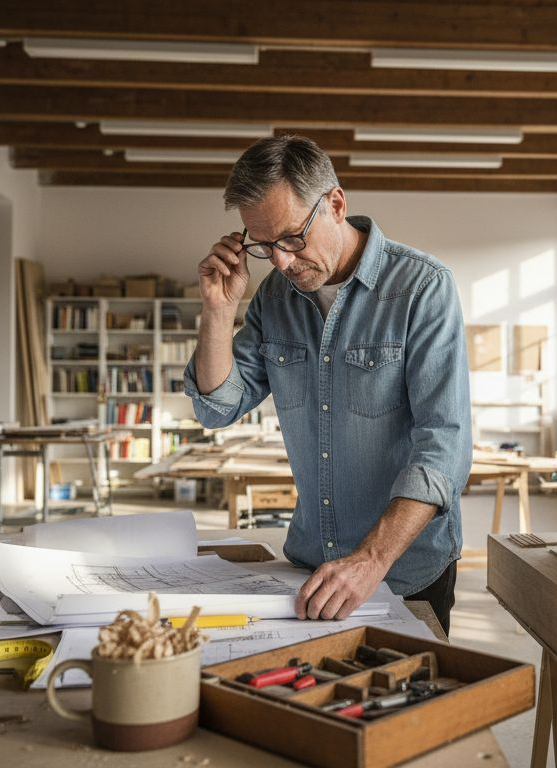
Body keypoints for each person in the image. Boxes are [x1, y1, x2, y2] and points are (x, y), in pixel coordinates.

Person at [184, 135, 472, 633]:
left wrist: (370, 560)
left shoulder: (422, 288)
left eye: (291, 238)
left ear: (336, 204)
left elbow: (444, 447)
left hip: (405, 570)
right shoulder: (276, 297)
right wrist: (218, 310)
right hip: (309, 568)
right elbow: (216, 408)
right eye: (262, 245)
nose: (279, 261)